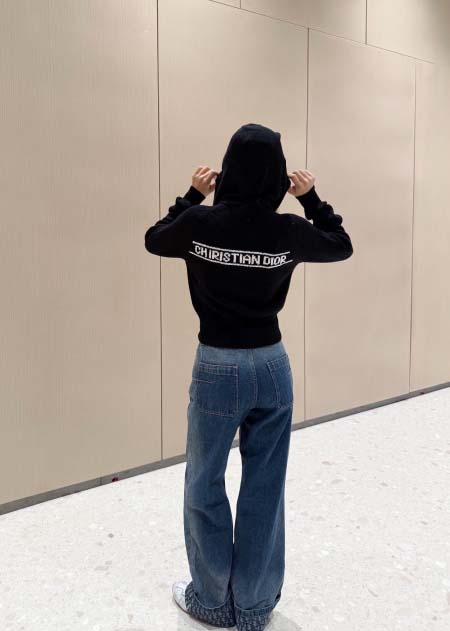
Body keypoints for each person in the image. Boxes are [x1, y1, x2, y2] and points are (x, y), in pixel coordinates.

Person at [145, 123, 353, 631]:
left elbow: (155, 239)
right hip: (272, 367)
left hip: (218, 367)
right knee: (265, 485)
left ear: (228, 168)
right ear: (278, 175)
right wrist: (311, 198)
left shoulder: (199, 223)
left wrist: (192, 194)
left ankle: (212, 599)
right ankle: (255, 608)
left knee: (204, 481)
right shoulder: (287, 229)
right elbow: (340, 244)